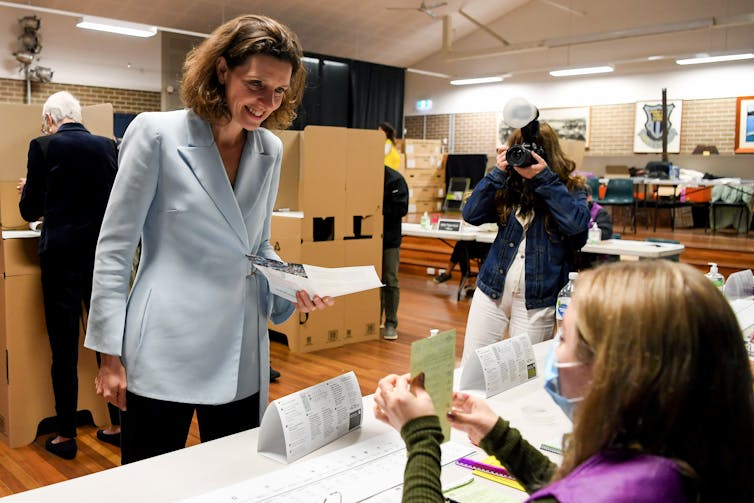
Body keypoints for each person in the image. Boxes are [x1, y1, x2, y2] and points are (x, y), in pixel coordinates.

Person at [84, 14, 332, 464]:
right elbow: (115, 248)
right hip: (164, 340)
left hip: (240, 345)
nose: (267, 102)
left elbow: (257, 248)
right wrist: (108, 355)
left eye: (279, 91)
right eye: (256, 84)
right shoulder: (157, 133)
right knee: (150, 480)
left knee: (234, 474)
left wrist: (296, 282)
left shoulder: (269, 150)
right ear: (222, 70)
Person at [374, 260, 754, 502]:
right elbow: (574, 489)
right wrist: (500, 437)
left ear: (614, 373)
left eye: (565, 337)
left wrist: (420, 432)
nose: (553, 351)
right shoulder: (678, 460)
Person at [18, 91, 120, 459]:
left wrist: (31, 190)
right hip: (102, 257)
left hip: (60, 257)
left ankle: (65, 435)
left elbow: (29, 208)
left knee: (63, 347)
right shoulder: (108, 146)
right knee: (106, 341)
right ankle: (117, 424)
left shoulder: (43, 146)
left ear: (49, 118)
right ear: (79, 116)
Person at [461, 122, 588, 360]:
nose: (523, 157)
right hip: (492, 288)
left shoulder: (569, 188)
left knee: (523, 370)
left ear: (547, 154)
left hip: (538, 297)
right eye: (517, 149)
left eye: (530, 150)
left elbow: (578, 231)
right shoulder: (507, 185)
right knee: (473, 363)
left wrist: (545, 181)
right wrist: (497, 173)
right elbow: (471, 214)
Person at [381, 165, 409, 340]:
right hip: (366, 240)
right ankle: (371, 319)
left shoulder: (395, 179)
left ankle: (391, 323)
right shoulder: (362, 177)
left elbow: (402, 209)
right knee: (371, 283)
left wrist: (378, 209)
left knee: (390, 281)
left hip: (389, 240)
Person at [574, 182, 615, 270]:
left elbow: (605, 233)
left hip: (595, 256)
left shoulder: (600, 212)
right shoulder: (571, 211)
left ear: (589, 197)